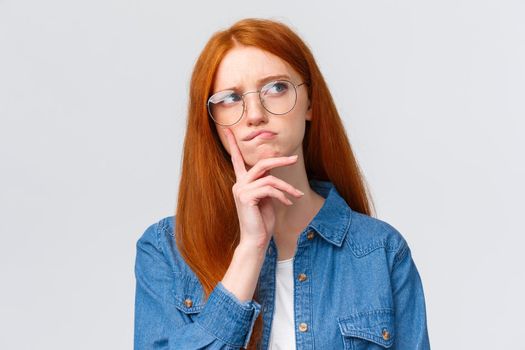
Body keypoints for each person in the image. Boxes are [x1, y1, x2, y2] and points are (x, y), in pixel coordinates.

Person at [133, 17, 430, 350]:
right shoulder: (167, 251)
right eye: (230, 98)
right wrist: (250, 250)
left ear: (310, 103)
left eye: (275, 88)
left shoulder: (380, 252)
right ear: (211, 123)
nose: (254, 113)